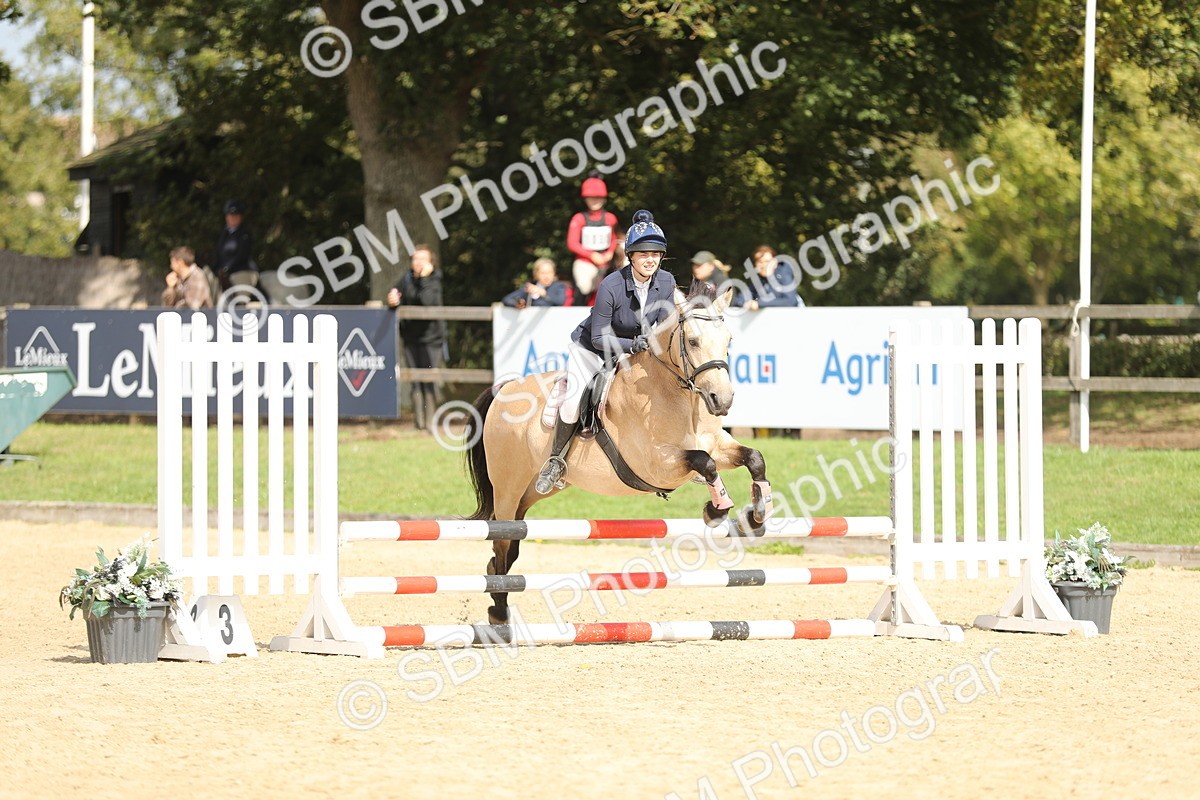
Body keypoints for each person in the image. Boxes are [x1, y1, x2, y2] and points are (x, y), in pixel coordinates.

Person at [535, 209, 677, 494]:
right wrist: (633, 345)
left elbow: (666, 327)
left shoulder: (667, 282)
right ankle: (556, 461)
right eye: (643, 254)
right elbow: (600, 337)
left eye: (656, 254)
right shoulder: (611, 285)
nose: (651, 260)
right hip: (593, 349)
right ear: (631, 257)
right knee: (573, 401)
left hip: (636, 351)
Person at [387, 244, 447, 431]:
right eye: (415, 258)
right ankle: (418, 423)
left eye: (423, 259)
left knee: (428, 380)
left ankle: (430, 423)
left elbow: (427, 300)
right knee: (415, 380)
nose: (418, 262)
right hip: (411, 337)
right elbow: (394, 296)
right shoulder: (406, 278)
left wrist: (424, 278)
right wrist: (391, 300)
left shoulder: (434, 279)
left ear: (431, 263)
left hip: (432, 339)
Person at [566, 173, 619, 305]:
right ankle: (577, 308)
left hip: (606, 262)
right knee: (584, 285)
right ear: (585, 198)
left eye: (598, 197)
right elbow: (572, 243)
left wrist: (610, 252)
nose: (595, 200)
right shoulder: (579, 218)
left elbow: (614, 239)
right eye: (591, 197)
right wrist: (591, 255)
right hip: (585, 261)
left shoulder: (610, 218)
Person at [739, 244, 804, 309]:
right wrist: (748, 304)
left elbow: (790, 301)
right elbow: (739, 299)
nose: (763, 265)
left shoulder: (783, 275)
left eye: (767, 261)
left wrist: (759, 303)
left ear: (775, 263)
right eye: (760, 262)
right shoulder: (758, 282)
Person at [214, 199, 255, 291]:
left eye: (236, 215)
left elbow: (242, 254)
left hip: (241, 271)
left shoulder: (245, 234)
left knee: (239, 295)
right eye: (231, 215)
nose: (233, 218)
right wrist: (216, 269)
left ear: (241, 217)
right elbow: (218, 253)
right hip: (224, 273)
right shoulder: (224, 234)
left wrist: (227, 267)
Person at [502, 258, 569, 308]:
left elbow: (560, 301)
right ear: (536, 274)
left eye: (549, 272)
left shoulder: (559, 286)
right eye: (543, 273)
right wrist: (517, 304)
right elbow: (507, 299)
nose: (547, 276)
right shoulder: (531, 286)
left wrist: (543, 293)